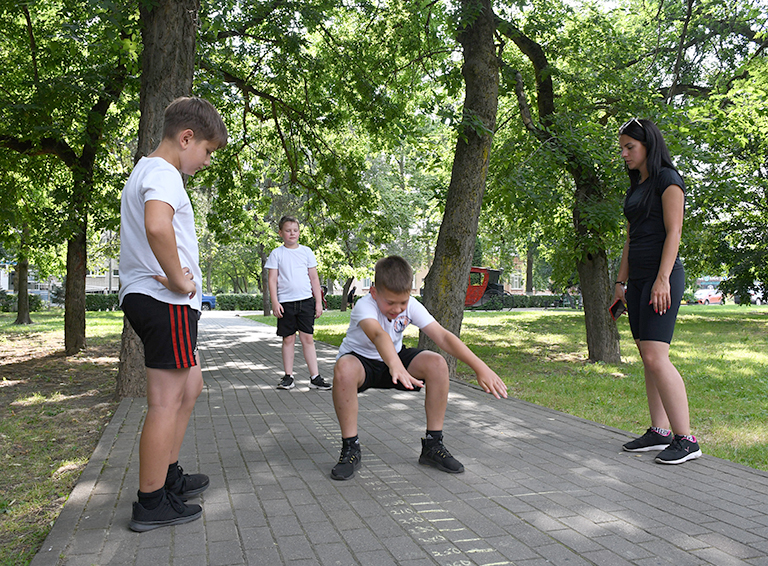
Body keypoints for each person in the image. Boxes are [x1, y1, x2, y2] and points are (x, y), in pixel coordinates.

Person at [119, 97, 228, 531]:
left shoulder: (147, 169)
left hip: (157, 302)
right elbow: (158, 227)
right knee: (165, 402)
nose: (205, 161)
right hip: (165, 304)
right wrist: (179, 281)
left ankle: (168, 476)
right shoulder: (164, 173)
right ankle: (151, 501)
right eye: (206, 151)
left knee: (190, 386)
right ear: (187, 138)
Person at [330, 255, 508, 480]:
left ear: (409, 294)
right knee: (343, 368)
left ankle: (433, 446)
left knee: (437, 363)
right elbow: (378, 335)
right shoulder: (364, 305)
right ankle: (350, 448)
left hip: (395, 359)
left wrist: (480, 367)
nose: (397, 309)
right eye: (390, 303)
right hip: (361, 362)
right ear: (374, 293)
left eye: (402, 302)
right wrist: (395, 365)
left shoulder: (411, 305)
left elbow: (442, 336)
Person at [614, 117, 702, 465]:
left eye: (629, 147)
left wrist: (662, 279)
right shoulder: (637, 186)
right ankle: (659, 431)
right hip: (636, 280)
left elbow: (674, 232)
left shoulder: (668, 179)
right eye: (622, 148)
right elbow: (630, 238)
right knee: (647, 357)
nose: (624, 154)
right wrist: (621, 283)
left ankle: (686, 439)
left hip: (660, 277)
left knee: (656, 355)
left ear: (648, 145)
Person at [266, 216, 331, 391]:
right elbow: (272, 280)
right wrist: (275, 302)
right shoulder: (276, 254)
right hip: (286, 303)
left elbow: (314, 278)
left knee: (307, 338)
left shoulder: (307, 252)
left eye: (295, 230)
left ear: (299, 232)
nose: (292, 233)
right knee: (288, 339)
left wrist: (318, 302)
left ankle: (315, 377)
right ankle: (288, 377)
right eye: (288, 230)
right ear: (281, 233)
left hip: (306, 302)